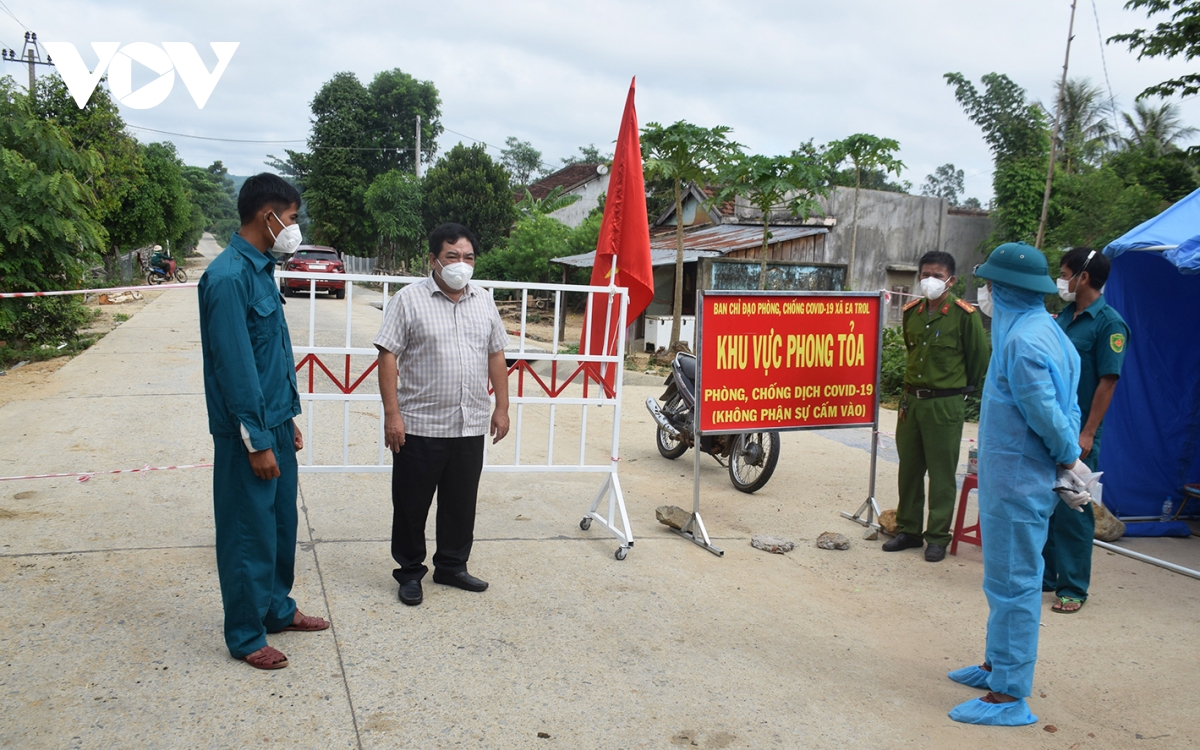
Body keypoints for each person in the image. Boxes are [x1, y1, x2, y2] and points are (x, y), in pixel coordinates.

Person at [948, 242, 1087, 726]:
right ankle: (995, 665)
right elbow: (1069, 405)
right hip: (1023, 476)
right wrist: (1068, 456)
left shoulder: (1022, 342)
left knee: (1015, 584)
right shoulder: (1047, 332)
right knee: (1004, 580)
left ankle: (1009, 695)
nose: (983, 293)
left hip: (1018, 481)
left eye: (988, 285)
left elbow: (1046, 411)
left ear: (1005, 289)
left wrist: (1068, 456)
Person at [198, 173, 329, 670]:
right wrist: (255, 439)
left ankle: (277, 608)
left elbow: (271, 356)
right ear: (267, 215)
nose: (294, 228)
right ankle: (246, 634)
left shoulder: (261, 272)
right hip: (245, 431)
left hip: (273, 421)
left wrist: (285, 420)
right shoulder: (228, 277)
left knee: (278, 525)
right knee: (247, 533)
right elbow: (234, 367)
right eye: (292, 218)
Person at [373, 223, 510, 607]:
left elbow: (496, 354)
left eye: (468, 257)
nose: (460, 264)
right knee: (412, 504)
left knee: (460, 502)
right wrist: (392, 415)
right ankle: (410, 572)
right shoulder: (408, 300)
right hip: (419, 424)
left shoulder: (483, 300)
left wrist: (502, 407)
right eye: (452, 256)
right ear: (433, 259)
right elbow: (388, 356)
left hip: (469, 424)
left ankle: (451, 566)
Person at [885, 250, 990, 562]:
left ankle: (938, 537)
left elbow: (978, 361)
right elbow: (911, 349)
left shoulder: (965, 315)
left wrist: (958, 391)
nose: (930, 281)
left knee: (942, 474)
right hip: (911, 403)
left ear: (951, 280)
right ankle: (909, 530)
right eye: (925, 274)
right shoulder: (911, 312)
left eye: (938, 276)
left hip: (945, 404)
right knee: (910, 469)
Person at [1042, 248, 1129, 614]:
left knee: (1073, 508)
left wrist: (1088, 433)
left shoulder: (1109, 323)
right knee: (1044, 504)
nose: (1062, 280)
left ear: (1085, 277)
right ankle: (1046, 576)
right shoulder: (1063, 315)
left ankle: (1073, 587)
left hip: (1078, 432)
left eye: (1065, 273)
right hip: (1051, 427)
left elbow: (1107, 383)